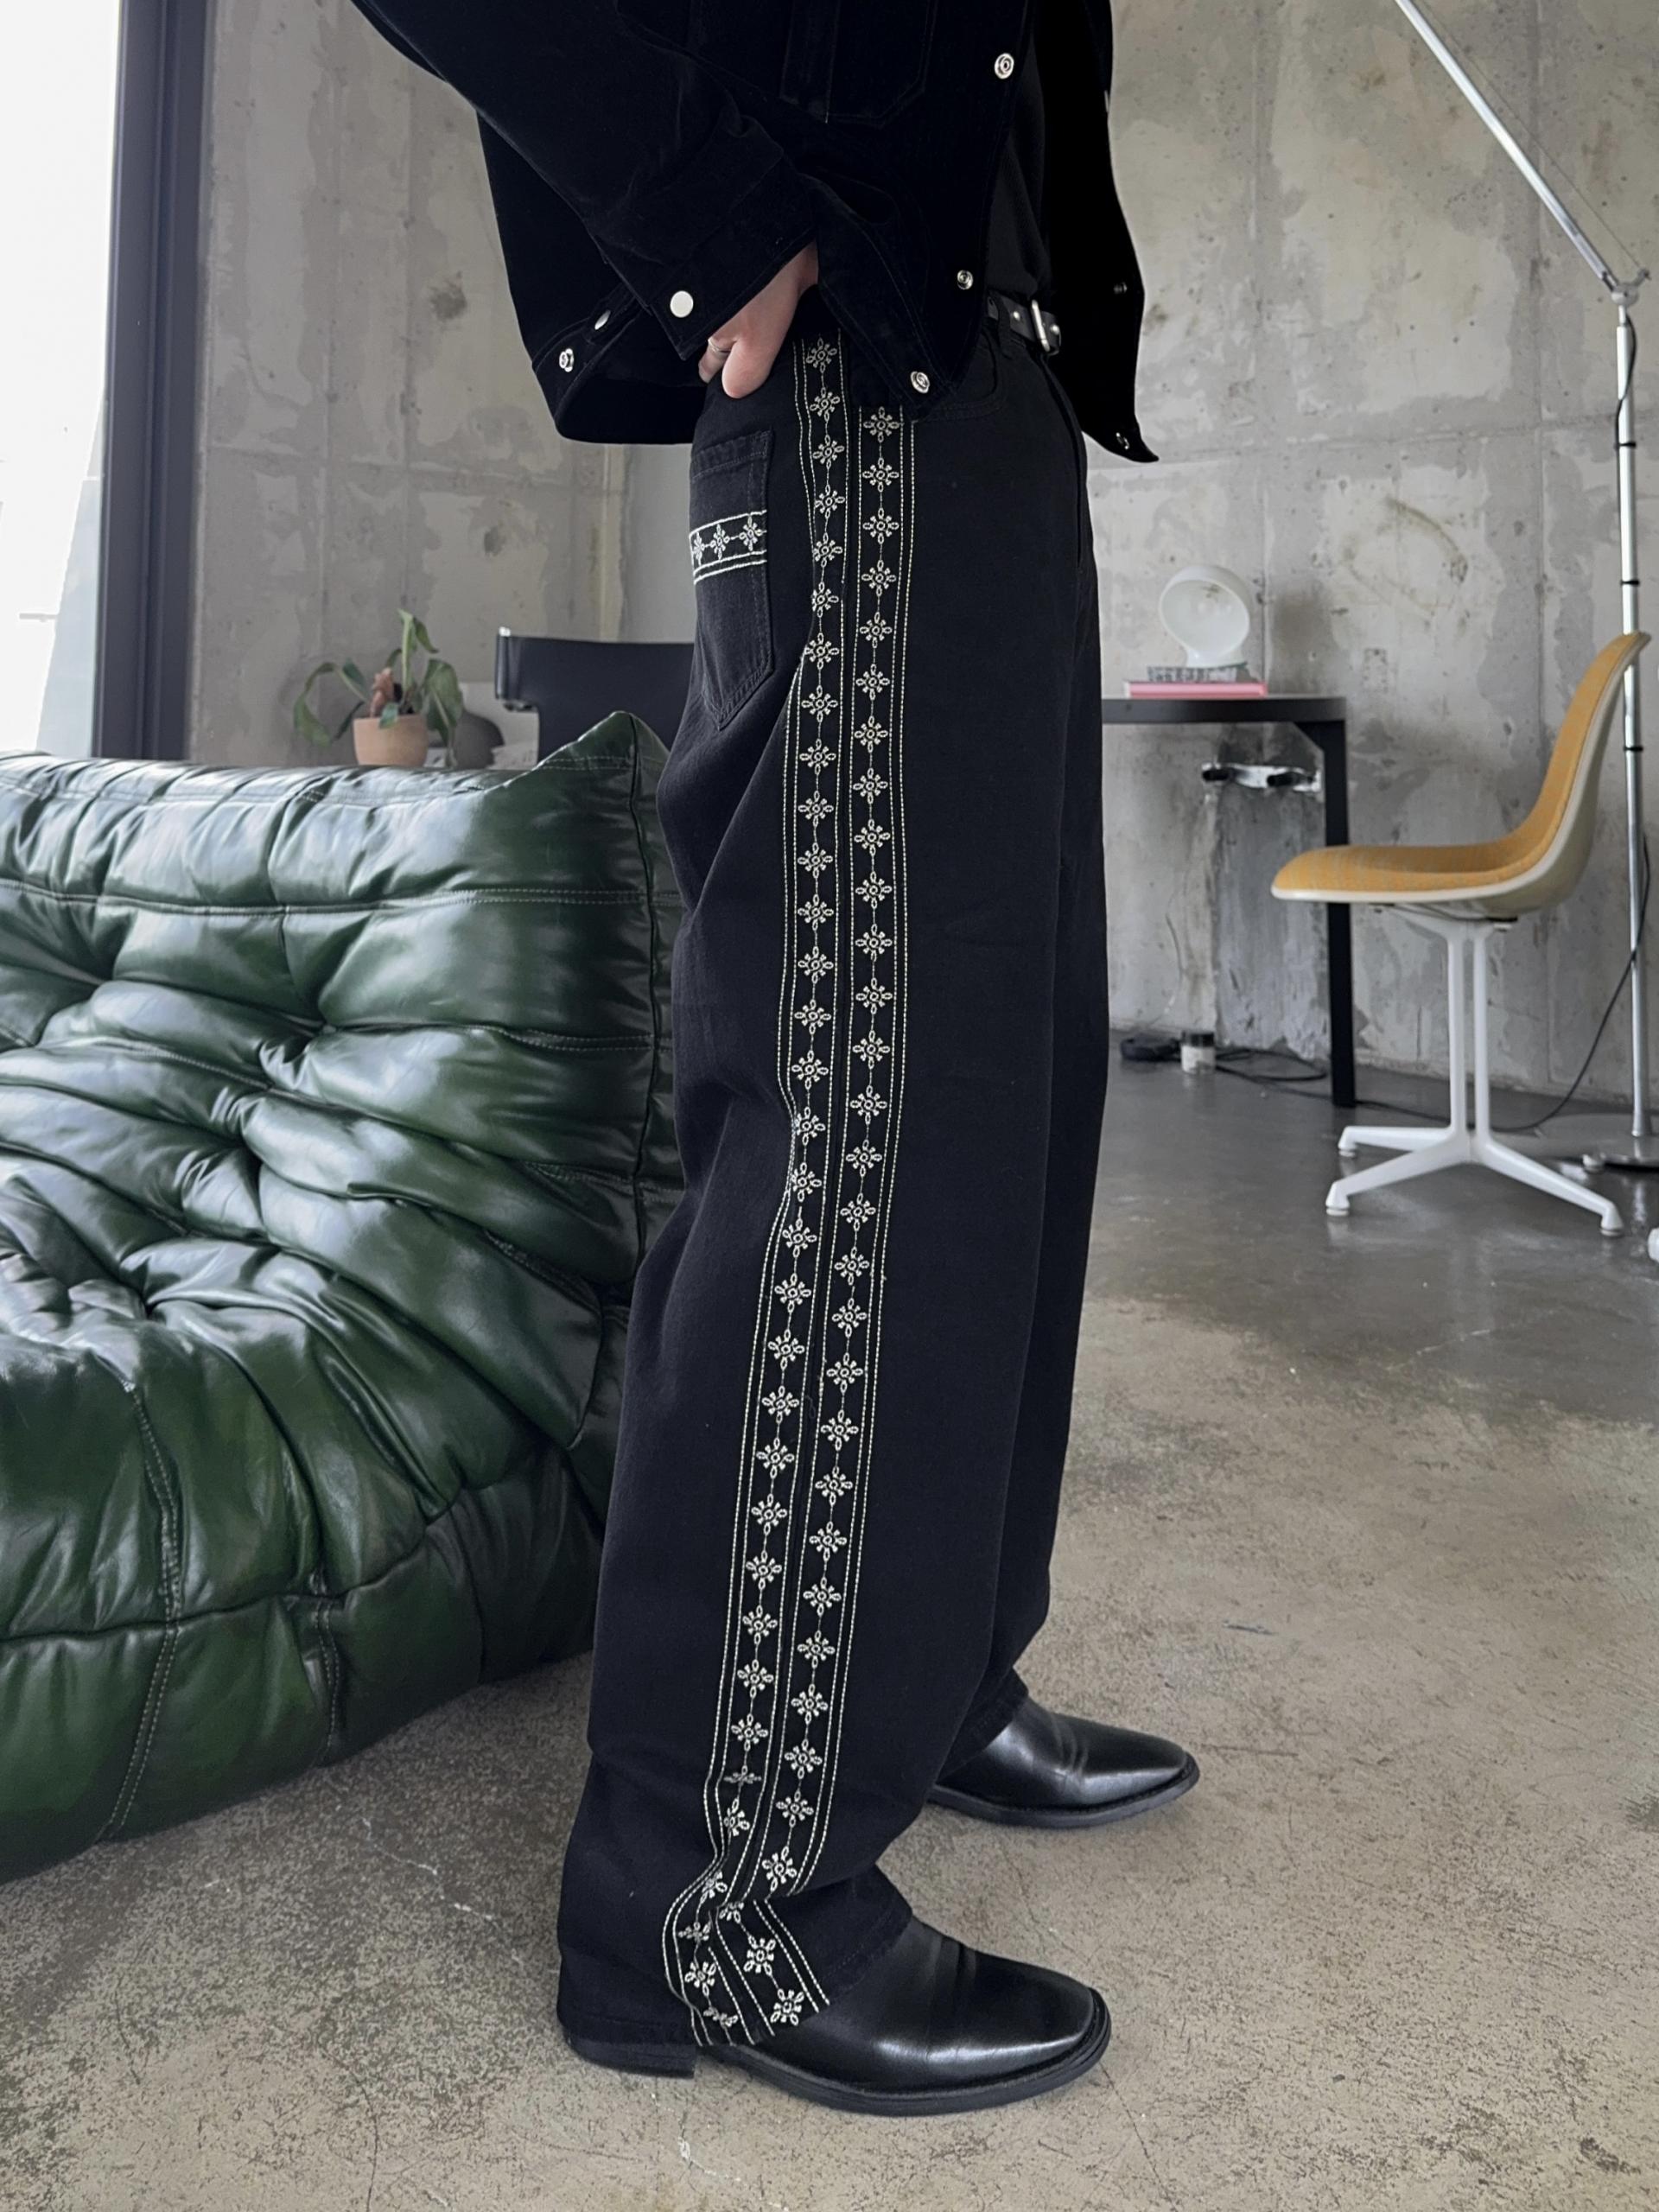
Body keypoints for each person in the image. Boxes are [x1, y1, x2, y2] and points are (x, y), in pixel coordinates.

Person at [351, 0, 1198, 2117]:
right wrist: (709, 212)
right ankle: (710, 1891)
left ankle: (927, 1681)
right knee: (852, 1094)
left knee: (1009, 1081)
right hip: (842, 328)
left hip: (991, 350)